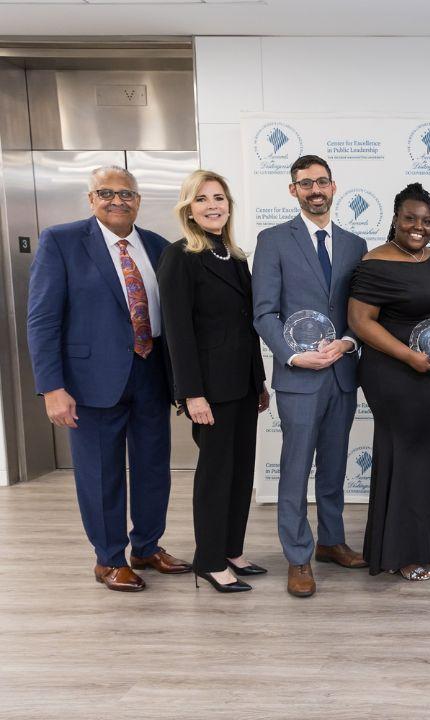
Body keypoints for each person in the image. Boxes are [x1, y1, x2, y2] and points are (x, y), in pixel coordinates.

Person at [26, 166, 191, 591]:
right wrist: (52, 386)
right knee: (101, 472)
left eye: (126, 194)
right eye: (106, 193)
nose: (117, 201)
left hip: (152, 370)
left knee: (154, 467)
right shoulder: (61, 241)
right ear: (90, 198)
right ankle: (109, 558)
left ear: (138, 200)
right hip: (88, 380)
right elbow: (42, 319)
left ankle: (147, 546)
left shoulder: (157, 246)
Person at [252, 155, 369, 598]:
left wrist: (349, 342)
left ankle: (331, 541)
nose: (315, 190)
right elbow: (263, 311)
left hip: (341, 373)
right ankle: (298, 556)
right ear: (293, 190)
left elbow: (362, 312)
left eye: (322, 182)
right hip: (298, 378)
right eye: (306, 184)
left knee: (335, 467)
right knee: (296, 467)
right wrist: (290, 357)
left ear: (334, 187)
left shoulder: (356, 244)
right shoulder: (273, 240)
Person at [347, 183, 430, 581]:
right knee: (406, 457)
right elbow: (359, 322)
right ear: (396, 219)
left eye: (427, 221)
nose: (418, 227)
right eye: (410, 219)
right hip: (395, 373)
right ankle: (401, 553)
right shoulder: (375, 263)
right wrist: (407, 356)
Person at [158, 170, 269, 593]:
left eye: (219, 198)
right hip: (209, 389)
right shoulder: (180, 256)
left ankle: (231, 549)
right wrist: (191, 394)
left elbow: (247, 327)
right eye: (202, 199)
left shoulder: (236, 256)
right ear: (188, 208)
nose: (212, 206)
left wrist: (258, 381)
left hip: (242, 383)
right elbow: (178, 332)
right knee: (215, 473)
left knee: (241, 471)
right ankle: (208, 560)